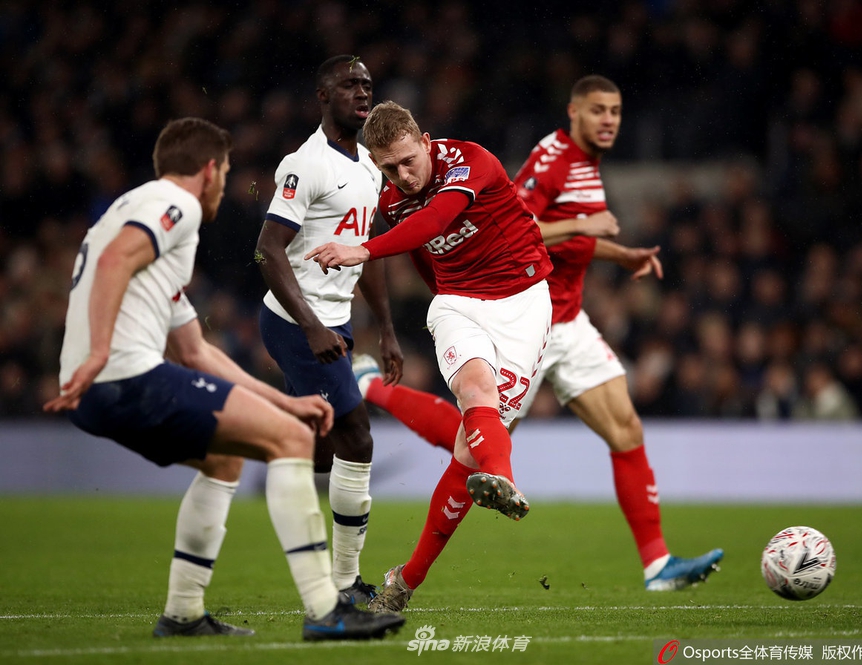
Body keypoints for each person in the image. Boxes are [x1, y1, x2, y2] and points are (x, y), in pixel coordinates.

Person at [352, 75, 723, 600]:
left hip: (554, 316)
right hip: (502, 303)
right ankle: (375, 392)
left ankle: (656, 562)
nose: (609, 121)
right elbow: (519, 219)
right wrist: (579, 229)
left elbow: (542, 231)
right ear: (574, 112)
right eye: (598, 110)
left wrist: (619, 252)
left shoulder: (587, 169)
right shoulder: (551, 162)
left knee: (624, 429)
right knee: (475, 424)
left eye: (615, 110)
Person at [43, 117, 404, 641]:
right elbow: (119, 259)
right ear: (209, 170)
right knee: (288, 444)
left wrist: (286, 404)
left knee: (227, 456)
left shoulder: (134, 222)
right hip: (124, 376)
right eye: (227, 169)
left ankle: (184, 613)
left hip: (94, 393)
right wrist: (100, 351)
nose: (226, 181)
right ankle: (329, 611)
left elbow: (195, 350)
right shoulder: (176, 206)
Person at [306, 100, 554, 612]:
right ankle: (502, 478)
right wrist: (424, 316)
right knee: (474, 389)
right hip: (458, 303)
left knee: (468, 447)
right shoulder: (389, 196)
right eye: (388, 168)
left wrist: (364, 249)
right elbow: (423, 254)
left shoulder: (469, 162)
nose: (402, 175)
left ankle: (405, 579)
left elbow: (436, 219)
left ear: (423, 141)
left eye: (406, 161)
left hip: (523, 304)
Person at [255, 55, 403, 605]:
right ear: (323, 95)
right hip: (296, 322)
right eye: (349, 84)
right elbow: (268, 251)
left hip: (333, 324)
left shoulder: (368, 163)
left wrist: (386, 328)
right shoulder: (306, 164)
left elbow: (370, 251)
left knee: (317, 450)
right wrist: (315, 327)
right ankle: (345, 584)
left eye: (367, 83)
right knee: (358, 438)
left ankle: (266, 433)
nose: (362, 92)